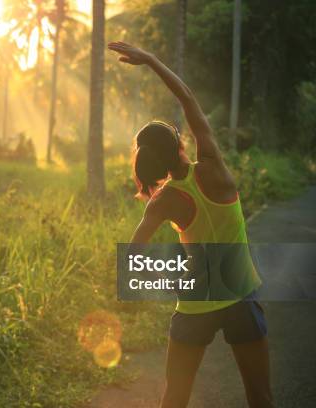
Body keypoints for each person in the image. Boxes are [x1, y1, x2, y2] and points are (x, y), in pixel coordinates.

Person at [108, 41, 274, 408]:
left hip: (195, 305)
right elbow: (187, 99)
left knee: (175, 398)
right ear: (181, 142)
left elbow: (134, 256)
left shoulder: (163, 201)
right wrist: (151, 59)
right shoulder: (213, 165)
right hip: (240, 295)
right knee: (260, 398)